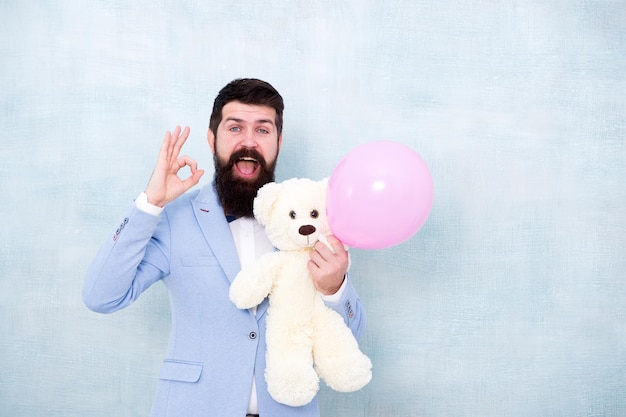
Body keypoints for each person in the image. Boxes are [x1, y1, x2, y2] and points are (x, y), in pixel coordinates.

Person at [83, 78, 367, 417]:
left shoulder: (312, 221)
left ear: (279, 141)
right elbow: (102, 296)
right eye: (235, 128)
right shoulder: (175, 218)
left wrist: (335, 288)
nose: (248, 142)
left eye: (263, 130)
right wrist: (150, 204)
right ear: (212, 138)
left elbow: (350, 338)